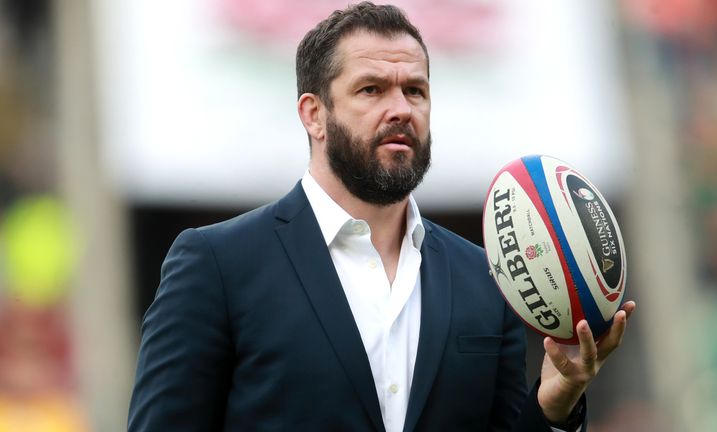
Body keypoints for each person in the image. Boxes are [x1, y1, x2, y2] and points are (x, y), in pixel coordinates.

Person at [127, 3, 636, 431]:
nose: (401, 109)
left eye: (414, 90)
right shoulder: (216, 265)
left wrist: (556, 401)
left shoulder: (486, 280)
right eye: (371, 90)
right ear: (313, 113)